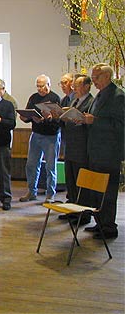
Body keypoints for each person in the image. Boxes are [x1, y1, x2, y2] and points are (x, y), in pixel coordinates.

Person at [83, 63, 124, 240]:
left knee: (108, 191)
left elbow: (120, 125)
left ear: (107, 76)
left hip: (109, 151)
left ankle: (109, 227)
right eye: (92, 78)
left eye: (96, 78)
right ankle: (99, 222)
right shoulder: (99, 95)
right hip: (95, 150)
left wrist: (95, 121)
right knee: (96, 190)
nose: (93, 81)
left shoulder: (118, 96)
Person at [55, 74, 93, 224]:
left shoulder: (91, 102)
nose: (74, 88)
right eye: (74, 86)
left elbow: (90, 123)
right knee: (70, 181)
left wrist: (83, 120)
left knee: (81, 182)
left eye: (77, 85)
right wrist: (62, 117)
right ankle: (72, 210)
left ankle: (83, 214)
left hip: (81, 147)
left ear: (86, 86)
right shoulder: (74, 101)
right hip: (70, 146)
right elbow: (67, 122)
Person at [19, 75, 61, 203]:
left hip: (51, 136)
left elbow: (58, 120)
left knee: (50, 166)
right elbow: (28, 113)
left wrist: (47, 118)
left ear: (49, 84)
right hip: (36, 134)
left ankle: (50, 194)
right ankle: (32, 192)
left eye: (42, 86)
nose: (40, 89)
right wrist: (26, 117)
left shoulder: (55, 98)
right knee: (31, 164)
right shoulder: (33, 97)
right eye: (38, 86)